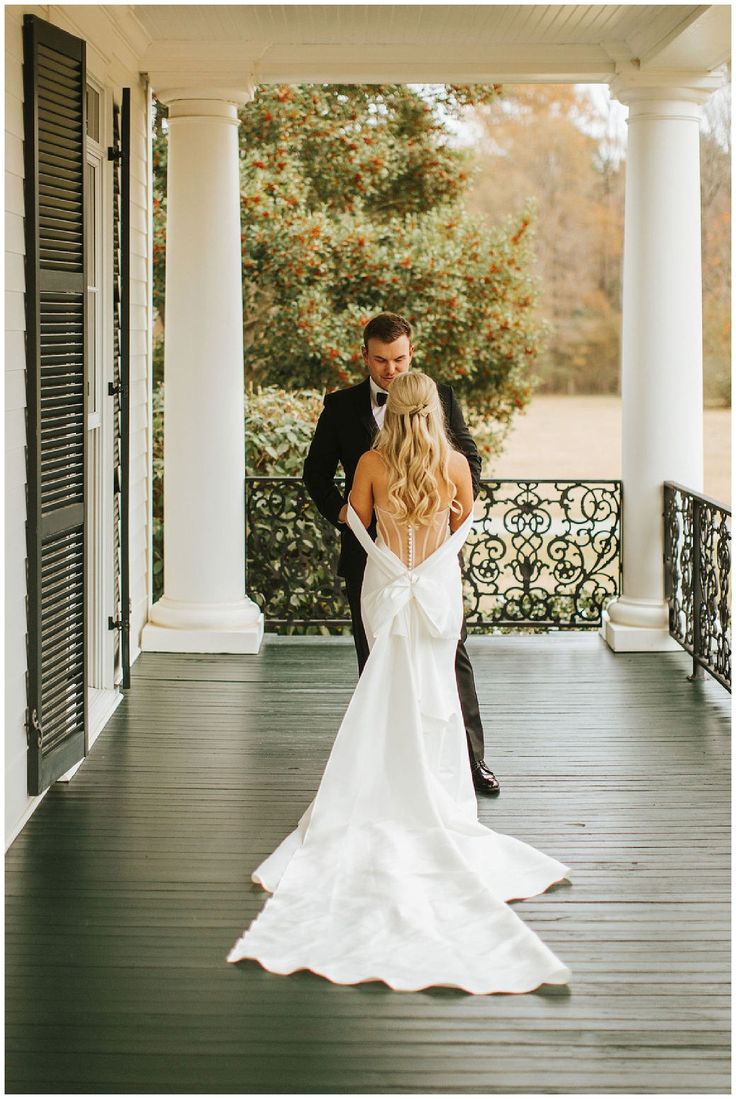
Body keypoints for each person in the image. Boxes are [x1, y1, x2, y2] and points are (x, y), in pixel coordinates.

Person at [226, 370, 572, 994]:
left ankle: (381, 786)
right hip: (436, 591)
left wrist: (392, 556)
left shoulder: (370, 463)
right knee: (437, 691)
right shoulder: (456, 465)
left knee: (382, 688)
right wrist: (434, 555)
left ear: (395, 412)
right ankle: (438, 793)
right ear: (434, 409)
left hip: (385, 588)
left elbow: (355, 523)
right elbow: (465, 517)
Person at [303, 312, 500, 796]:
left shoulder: (443, 397)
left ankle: (470, 761)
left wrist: (437, 499)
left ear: (411, 353)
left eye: (399, 359)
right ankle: (384, 766)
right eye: (381, 360)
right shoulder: (341, 406)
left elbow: (469, 458)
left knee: (452, 656)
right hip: (374, 558)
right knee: (378, 659)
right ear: (365, 356)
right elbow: (316, 474)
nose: (391, 369)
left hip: (431, 560)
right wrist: (353, 524)